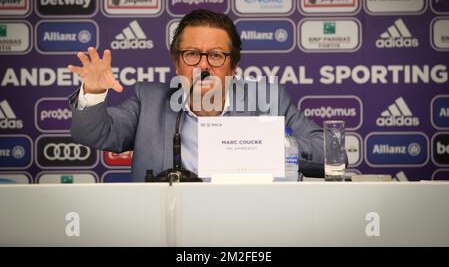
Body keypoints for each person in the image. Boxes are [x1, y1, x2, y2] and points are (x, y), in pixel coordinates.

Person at [67, 9, 324, 182]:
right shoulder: (150, 100)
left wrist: (265, 148)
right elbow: (93, 133)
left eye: (215, 55)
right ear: (177, 65)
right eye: (191, 54)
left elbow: (328, 152)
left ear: (233, 67)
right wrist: (94, 91)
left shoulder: (268, 98)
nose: (203, 66)